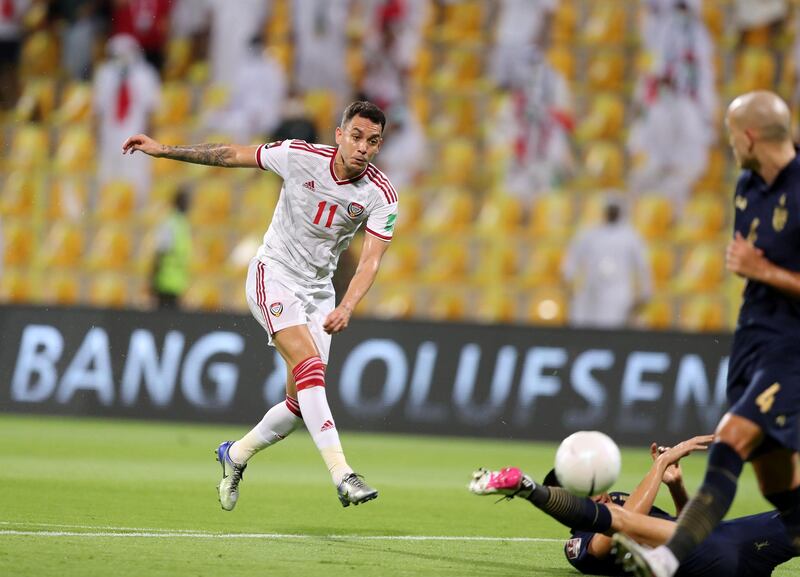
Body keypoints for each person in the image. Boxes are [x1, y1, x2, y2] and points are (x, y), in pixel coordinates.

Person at [122, 100, 398, 509]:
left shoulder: (381, 195)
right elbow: (231, 154)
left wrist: (348, 305)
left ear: (378, 146)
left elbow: (371, 260)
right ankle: (343, 475)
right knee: (309, 369)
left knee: (298, 404)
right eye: (355, 136)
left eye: (371, 141)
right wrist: (165, 150)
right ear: (339, 135)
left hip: (319, 292)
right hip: (274, 273)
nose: (362, 148)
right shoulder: (299, 156)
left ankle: (234, 455)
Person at [613, 91, 800, 576]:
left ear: (750, 136)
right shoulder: (746, 186)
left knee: (731, 436)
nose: (728, 143)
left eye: (731, 134)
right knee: (774, 474)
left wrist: (764, 271)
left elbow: (761, 267)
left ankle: (668, 559)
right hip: (753, 338)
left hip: (791, 343)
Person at [469, 434, 798, 576]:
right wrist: (660, 463)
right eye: (581, 490)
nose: (598, 492)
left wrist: (676, 485)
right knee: (620, 521)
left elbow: (685, 525)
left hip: (729, 538)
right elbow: (607, 536)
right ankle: (530, 489)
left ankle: (528, 488)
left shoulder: (627, 500)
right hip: (707, 563)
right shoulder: (577, 544)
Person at [562, 197, 652, 328]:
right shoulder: (590, 233)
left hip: (619, 293)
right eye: (610, 209)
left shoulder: (631, 236)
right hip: (590, 291)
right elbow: (572, 257)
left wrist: (645, 293)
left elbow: (643, 266)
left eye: (615, 210)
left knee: (612, 328)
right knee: (583, 325)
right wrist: (567, 278)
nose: (612, 213)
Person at [93, 34, 161, 205]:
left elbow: (151, 109)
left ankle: (138, 208)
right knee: (107, 174)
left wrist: (150, 139)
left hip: (136, 134)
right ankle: (107, 209)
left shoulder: (146, 74)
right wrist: (96, 136)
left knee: (137, 175)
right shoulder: (104, 74)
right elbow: (98, 109)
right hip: (110, 133)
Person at [151, 188, 191, 310]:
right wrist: (152, 280)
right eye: (186, 201)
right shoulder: (170, 224)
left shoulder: (182, 223)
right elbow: (159, 251)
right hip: (164, 283)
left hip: (177, 284)